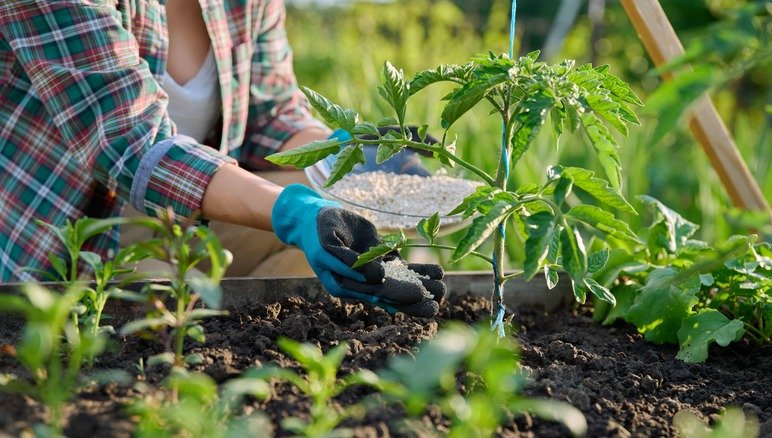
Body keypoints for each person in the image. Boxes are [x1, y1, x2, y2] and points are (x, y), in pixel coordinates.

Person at [0, 0, 445, 317]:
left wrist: (350, 151)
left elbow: (271, 114)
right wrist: (290, 212)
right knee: (163, 315)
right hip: (79, 233)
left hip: (193, 216)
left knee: (350, 225)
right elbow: (130, 142)